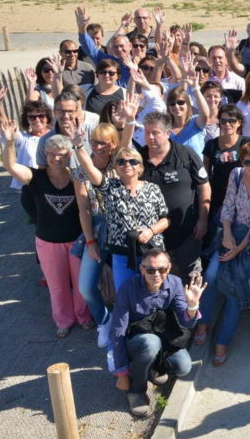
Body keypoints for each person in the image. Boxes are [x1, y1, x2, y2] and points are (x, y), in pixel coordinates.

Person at [1, 122, 92, 337]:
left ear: (69, 154)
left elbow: (86, 204)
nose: (56, 159)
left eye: (61, 154)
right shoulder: (35, 177)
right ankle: (63, 320)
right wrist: (10, 142)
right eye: (51, 154)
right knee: (57, 286)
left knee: (81, 285)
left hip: (76, 241)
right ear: (45, 154)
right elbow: (10, 166)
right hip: (48, 243)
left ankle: (84, 316)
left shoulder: (77, 176)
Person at [109, 246, 205, 417]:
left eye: (162, 269)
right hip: (137, 339)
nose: (157, 274)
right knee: (150, 343)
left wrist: (192, 305)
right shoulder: (128, 289)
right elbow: (118, 331)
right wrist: (122, 373)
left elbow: (187, 323)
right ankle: (136, 391)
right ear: (142, 269)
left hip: (162, 336)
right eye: (151, 269)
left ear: (168, 268)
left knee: (183, 367)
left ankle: (153, 366)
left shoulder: (175, 283)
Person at [204, 141, 250, 366]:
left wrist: (238, 248)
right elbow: (227, 207)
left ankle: (222, 341)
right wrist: (226, 234)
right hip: (231, 231)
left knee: (236, 287)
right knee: (211, 275)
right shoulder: (235, 175)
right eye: (248, 162)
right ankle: (203, 322)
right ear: (241, 161)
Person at [74, 136, 170, 290]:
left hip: (152, 253)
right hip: (122, 254)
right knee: (124, 295)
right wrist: (78, 146)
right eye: (121, 161)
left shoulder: (153, 189)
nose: (127, 164)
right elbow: (89, 169)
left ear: (140, 167)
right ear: (116, 167)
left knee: (152, 296)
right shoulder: (110, 187)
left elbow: (165, 220)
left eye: (133, 161)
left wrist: (150, 231)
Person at [134, 111, 211, 282]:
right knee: (155, 283)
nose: (150, 137)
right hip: (152, 236)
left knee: (191, 280)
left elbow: (204, 187)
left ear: (168, 133)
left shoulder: (185, 154)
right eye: (147, 133)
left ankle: (191, 309)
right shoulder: (138, 158)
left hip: (186, 232)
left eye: (155, 133)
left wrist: (203, 220)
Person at [71, 122, 119, 348]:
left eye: (103, 142)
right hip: (97, 228)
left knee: (123, 284)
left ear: (113, 145)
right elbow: (84, 209)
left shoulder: (121, 165)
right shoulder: (80, 170)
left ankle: (124, 325)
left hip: (120, 228)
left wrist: (128, 121)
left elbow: (128, 141)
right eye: (94, 141)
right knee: (86, 287)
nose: (98, 146)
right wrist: (90, 241)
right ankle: (104, 321)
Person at [164, 74, 211, 156]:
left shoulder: (195, 122)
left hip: (196, 169)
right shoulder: (164, 127)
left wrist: (195, 88)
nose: (176, 106)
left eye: (180, 102)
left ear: (188, 104)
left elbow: (205, 114)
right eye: (172, 103)